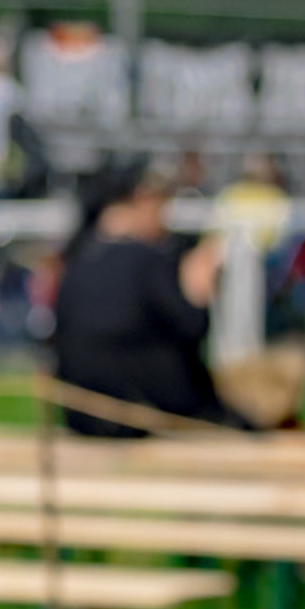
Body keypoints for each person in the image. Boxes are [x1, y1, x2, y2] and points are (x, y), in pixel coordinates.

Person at [52, 160, 245, 437]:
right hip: (140, 417)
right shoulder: (147, 260)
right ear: (143, 199)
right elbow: (191, 329)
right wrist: (198, 288)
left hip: (83, 417)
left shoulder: (78, 258)